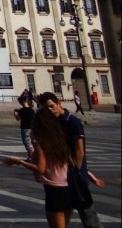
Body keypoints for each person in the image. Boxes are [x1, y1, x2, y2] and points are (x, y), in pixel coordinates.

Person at [39, 92, 104, 228]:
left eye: (52, 106)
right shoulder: (52, 123)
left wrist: (78, 172)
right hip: (62, 175)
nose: (50, 111)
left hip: (75, 174)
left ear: (59, 104)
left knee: (87, 214)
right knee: (64, 212)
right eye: (46, 109)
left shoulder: (72, 121)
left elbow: (80, 151)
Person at [3, 108, 76, 228]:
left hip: (54, 191)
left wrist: (19, 161)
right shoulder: (60, 140)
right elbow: (70, 162)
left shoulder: (42, 142)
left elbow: (40, 169)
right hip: (67, 188)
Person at [14, 94, 36, 161]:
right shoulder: (31, 110)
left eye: (20, 102)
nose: (20, 103)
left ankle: (31, 156)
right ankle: (33, 156)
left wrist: (15, 114)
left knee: (27, 142)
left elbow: (18, 118)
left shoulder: (22, 110)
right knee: (32, 142)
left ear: (22, 101)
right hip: (32, 127)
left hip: (25, 128)